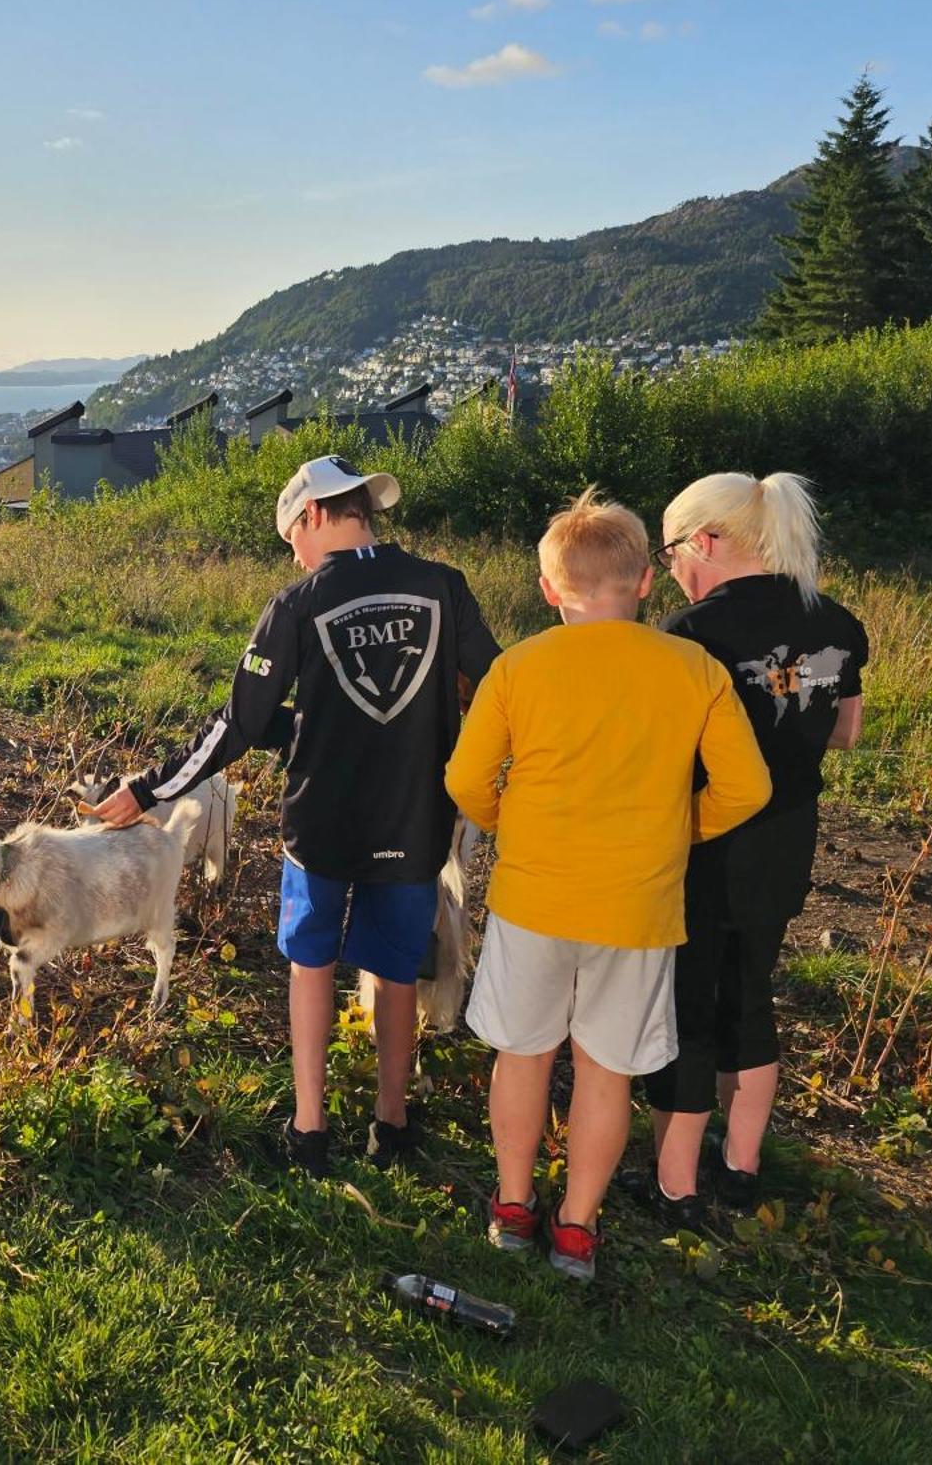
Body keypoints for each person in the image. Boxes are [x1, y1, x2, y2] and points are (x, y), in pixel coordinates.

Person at [92, 454, 501, 1176]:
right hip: (415, 823)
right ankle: (392, 1126)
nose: (297, 555)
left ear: (313, 516)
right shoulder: (445, 587)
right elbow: (496, 690)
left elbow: (237, 724)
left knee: (311, 964)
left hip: (321, 828)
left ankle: (309, 1132)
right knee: (398, 971)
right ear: (364, 509)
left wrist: (150, 788)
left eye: (293, 540)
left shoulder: (298, 604)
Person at [446, 488, 770, 1281]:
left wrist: (512, 825)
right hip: (639, 904)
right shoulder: (693, 669)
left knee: (521, 1058)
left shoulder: (518, 667)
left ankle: (514, 1205)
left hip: (533, 898)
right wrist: (679, 830)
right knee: (606, 1072)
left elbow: (464, 779)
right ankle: (578, 1227)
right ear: (644, 584)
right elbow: (747, 789)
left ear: (550, 587)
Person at [638, 474, 867, 1225]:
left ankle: (675, 1182)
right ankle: (741, 1169)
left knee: (687, 1005)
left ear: (705, 541)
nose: (672, 566)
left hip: (704, 838)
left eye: (672, 549)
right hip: (788, 838)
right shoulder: (838, 622)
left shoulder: (689, 634)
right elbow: (845, 732)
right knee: (751, 994)